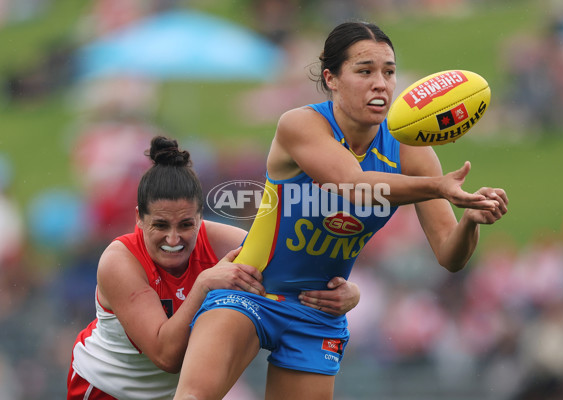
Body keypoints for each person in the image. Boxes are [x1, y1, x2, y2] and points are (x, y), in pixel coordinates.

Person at [174, 20, 508, 400]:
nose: (380, 83)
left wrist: (470, 220)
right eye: (364, 71)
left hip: (319, 313)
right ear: (331, 78)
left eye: (389, 72)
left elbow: (450, 255)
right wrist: (438, 187)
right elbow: (353, 185)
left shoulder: (411, 151)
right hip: (249, 292)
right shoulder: (301, 125)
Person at [66, 136, 362, 400]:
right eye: (159, 225)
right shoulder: (120, 260)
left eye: (186, 225)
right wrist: (204, 284)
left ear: (200, 218)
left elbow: (292, 267)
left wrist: (350, 294)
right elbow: (166, 356)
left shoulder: (219, 242)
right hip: (105, 389)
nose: (173, 238)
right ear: (139, 219)